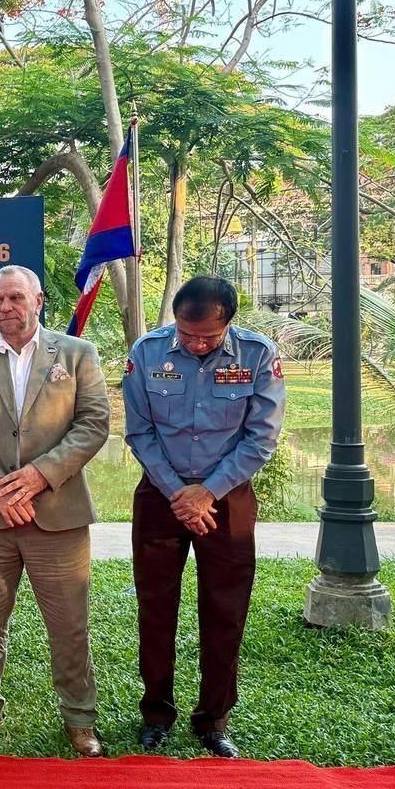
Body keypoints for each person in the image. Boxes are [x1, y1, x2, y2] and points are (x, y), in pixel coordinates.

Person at [0, 266, 111, 757]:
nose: (5, 308)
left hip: (58, 514)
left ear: (38, 301)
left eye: (15, 298)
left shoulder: (77, 353)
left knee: (69, 624)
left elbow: (94, 423)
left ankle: (79, 717)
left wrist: (40, 475)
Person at [123, 276, 285, 758]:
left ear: (228, 322)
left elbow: (261, 438)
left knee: (225, 610)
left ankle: (213, 719)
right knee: (156, 608)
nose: (195, 344)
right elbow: (139, 432)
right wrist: (180, 494)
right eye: (186, 333)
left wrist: (207, 493)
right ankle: (156, 714)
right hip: (161, 495)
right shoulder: (148, 352)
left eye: (207, 337)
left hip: (228, 498)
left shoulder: (257, 355)